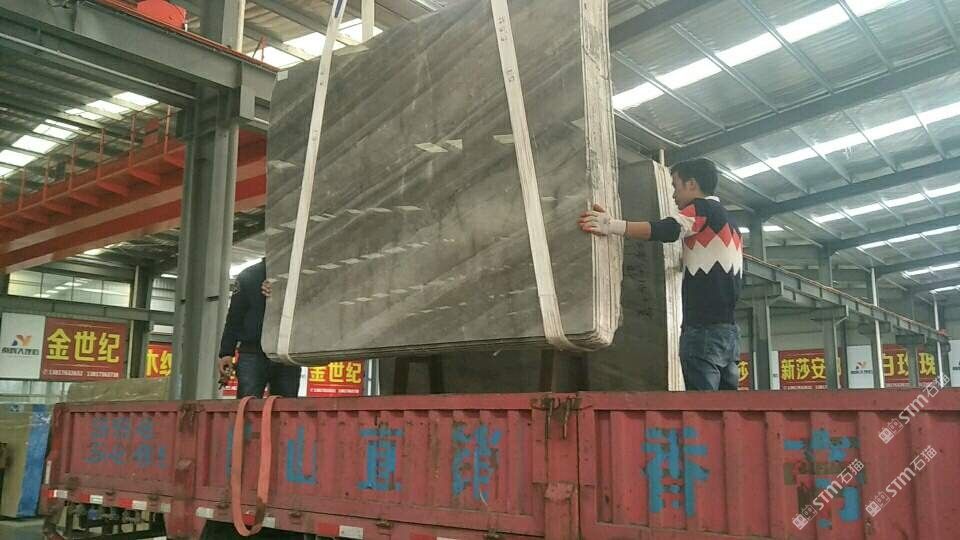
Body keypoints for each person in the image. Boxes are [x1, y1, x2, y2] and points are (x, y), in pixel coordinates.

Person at [578, 158, 743, 390]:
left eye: (676, 186)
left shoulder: (702, 208)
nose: (673, 196)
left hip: (703, 331)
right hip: (729, 334)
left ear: (691, 184)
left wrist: (611, 225)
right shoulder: (730, 222)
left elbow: (668, 229)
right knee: (728, 406)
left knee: (703, 406)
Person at [218, 259, 301, 398]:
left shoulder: (299, 275)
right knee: (249, 405)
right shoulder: (250, 275)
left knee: (285, 408)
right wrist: (226, 352)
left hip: (286, 352)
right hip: (254, 351)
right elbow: (235, 316)